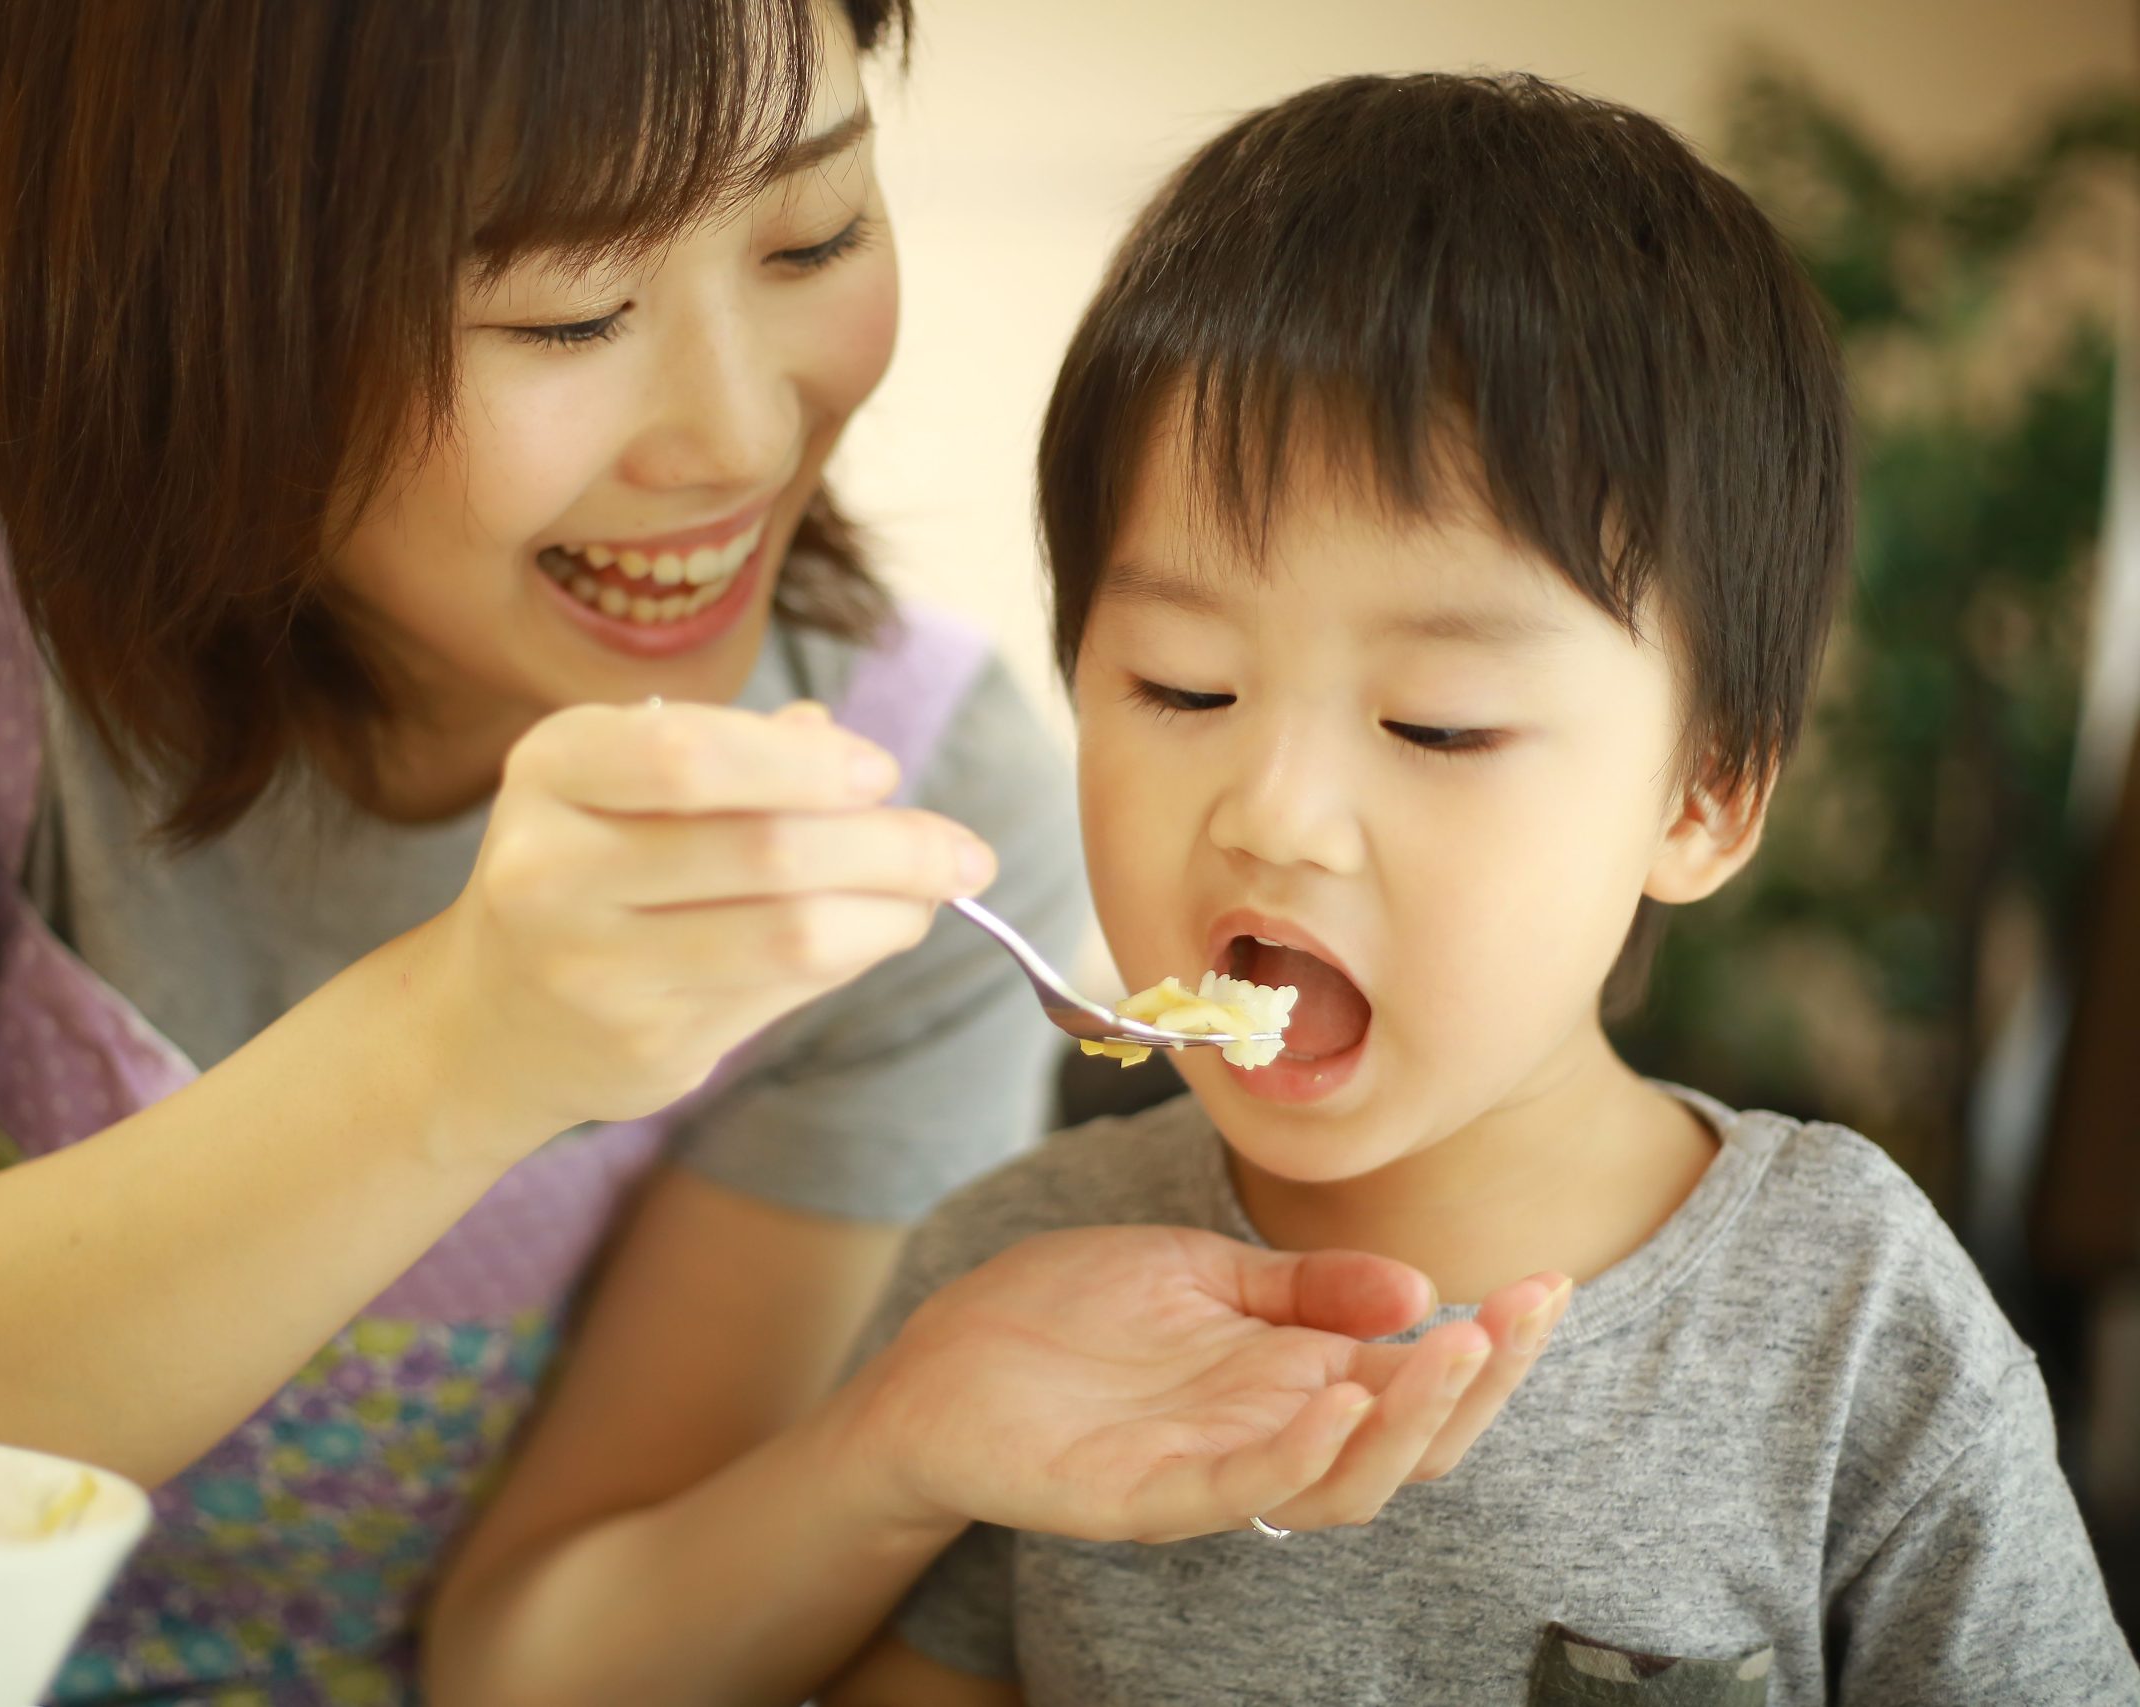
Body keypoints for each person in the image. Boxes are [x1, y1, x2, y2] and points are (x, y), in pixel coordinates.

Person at [0, 6, 1567, 1703]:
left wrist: (899, 1441)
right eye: (567, 306)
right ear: (180, 294)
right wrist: (465, 1041)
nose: (733, 431)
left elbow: (531, 1650)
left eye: (813, 231)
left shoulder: (908, 802)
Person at [824, 72, 2140, 1707]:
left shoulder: (1847, 1317)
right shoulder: (1016, 1276)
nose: (1278, 814)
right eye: (1179, 686)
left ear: (1706, 793)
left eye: (1437, 723)